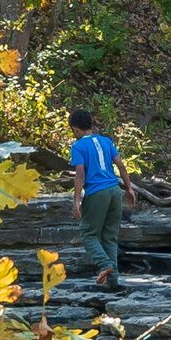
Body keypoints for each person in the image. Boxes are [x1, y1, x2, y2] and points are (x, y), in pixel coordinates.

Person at [68, 106, 127, 286]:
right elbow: (120, 165)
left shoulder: (78, 146)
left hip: (97, 192)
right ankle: (113, 282)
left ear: (75, 129)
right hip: (115, 191)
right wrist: (130, 188)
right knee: (110, 236)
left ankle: (104, 264)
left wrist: (77, 201)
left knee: (88, 233)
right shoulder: (106, 141)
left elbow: (80, 174)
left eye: (73, 131)